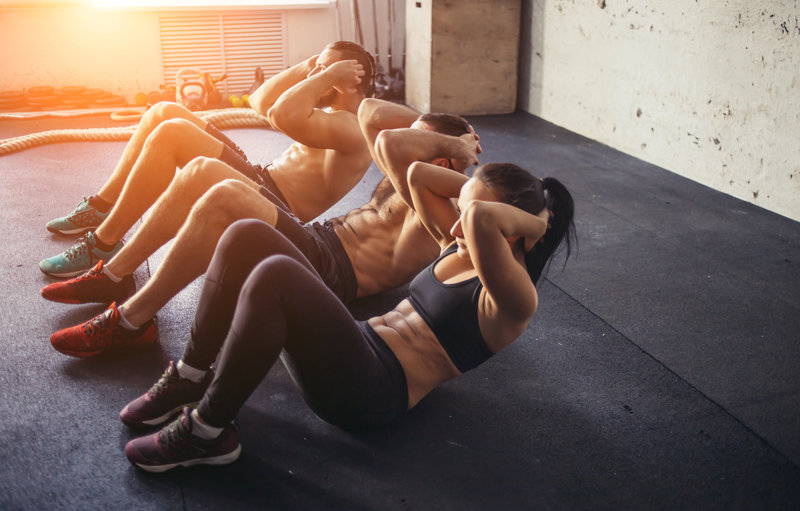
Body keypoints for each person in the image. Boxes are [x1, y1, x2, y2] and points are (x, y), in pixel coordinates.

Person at [122, 159, 576, 472]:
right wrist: (477, 192)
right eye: (459, 207)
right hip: (354, 345)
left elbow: (478, 221)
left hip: (371, 392)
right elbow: (415, 173)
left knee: (277, 273)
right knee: (246, 234)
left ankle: (207, 432)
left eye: (470, 212)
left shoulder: (514, 300)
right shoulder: (456, 246)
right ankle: (190, 373)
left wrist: (537, 221)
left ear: (513, 230)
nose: (456, 223)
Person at [46, 100, 481, 358]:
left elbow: (388, 140)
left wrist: (455, 147)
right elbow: (371, 112)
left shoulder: (439, 200)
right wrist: (442, 132)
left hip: (330, 273)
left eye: (423, 141)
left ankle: (131, 321)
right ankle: (114, 275)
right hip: (318, 241)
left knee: (223, 191)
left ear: (442, 159)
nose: (408, 136)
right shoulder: (417, 170)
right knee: (203, 171)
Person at [39, 40, 375, 278]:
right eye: (316, 69)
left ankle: (103, 243)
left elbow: (281, 114)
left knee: (172, 134)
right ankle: (102, 205)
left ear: (350, 77)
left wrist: (325, 75)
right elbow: (259, 101)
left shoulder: (352, 126)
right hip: (258, 177)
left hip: (273, 204)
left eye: (323, 70)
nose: (314, 75)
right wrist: (311, 66)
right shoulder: (332, 113)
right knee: (164, 111)